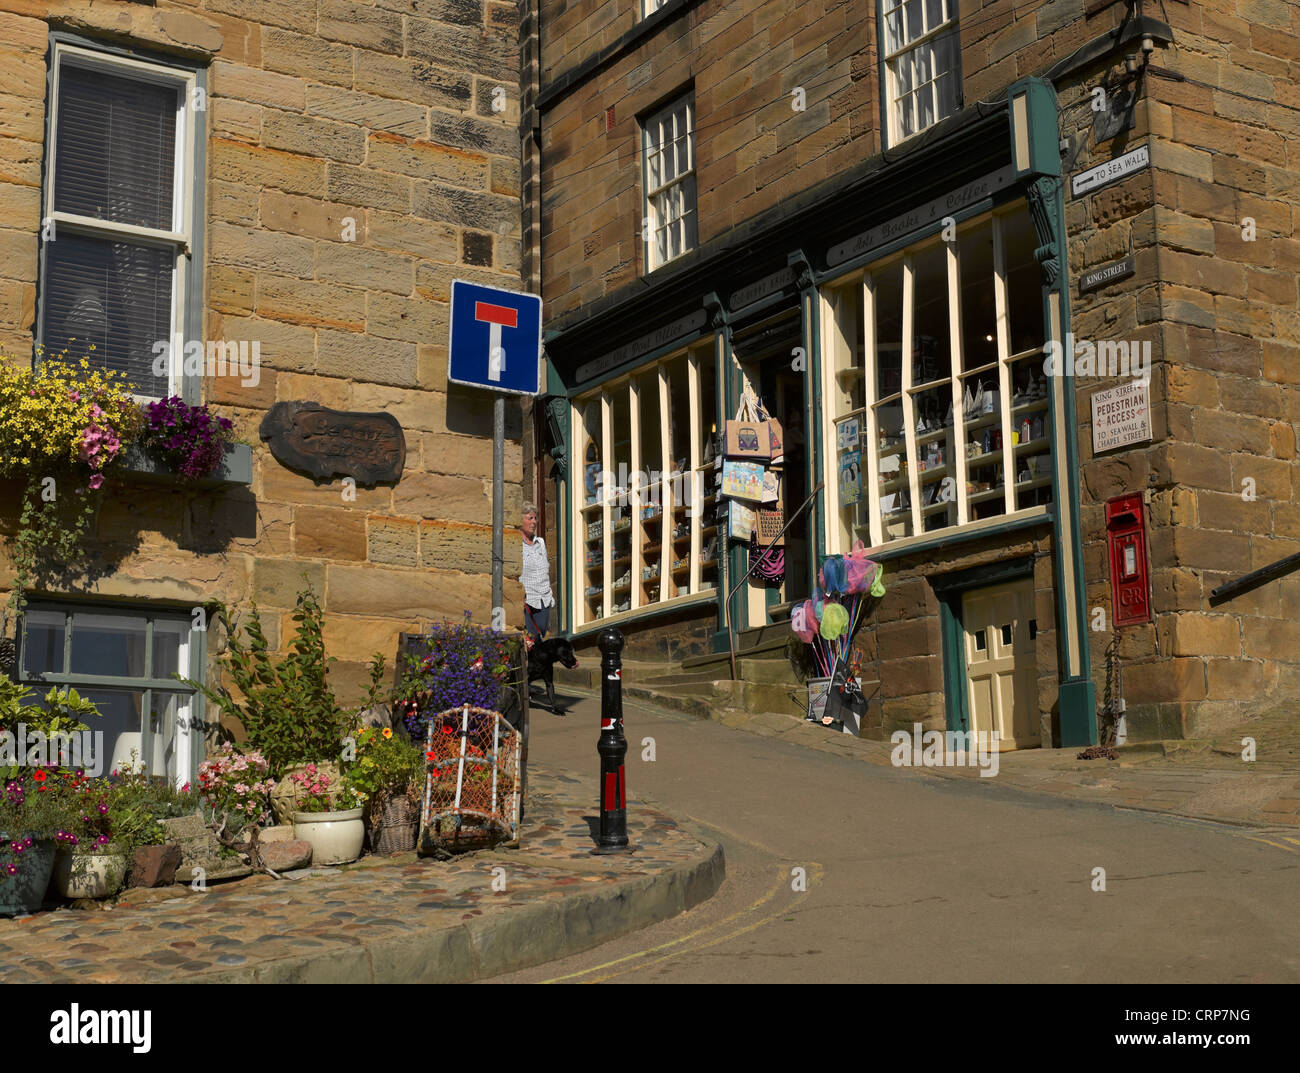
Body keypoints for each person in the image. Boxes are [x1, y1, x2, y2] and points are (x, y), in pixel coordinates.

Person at [520, 503, 554, 639]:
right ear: (520, 520)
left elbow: (545, 569)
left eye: (535, 518)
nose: (534, 522)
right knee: (529, 641)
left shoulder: (541, 543)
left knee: (541, 637)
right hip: (527, 601)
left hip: (544, 599)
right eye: (530, 518)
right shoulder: (517, 544)